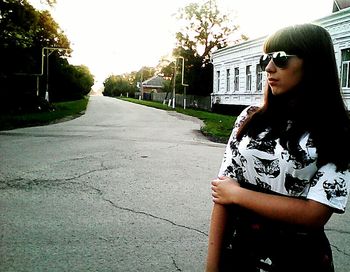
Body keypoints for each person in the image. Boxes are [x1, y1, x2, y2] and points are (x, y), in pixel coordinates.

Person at [206, 23, 350, 272]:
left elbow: (315, 213)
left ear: (313, 63)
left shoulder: (338, 130)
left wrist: (238, 195)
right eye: (266, 59)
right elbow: (223, 194)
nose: (269, 68)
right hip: (241, 254)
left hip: (301, 260)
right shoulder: (250, 119)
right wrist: (211, 268)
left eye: (281, 59)